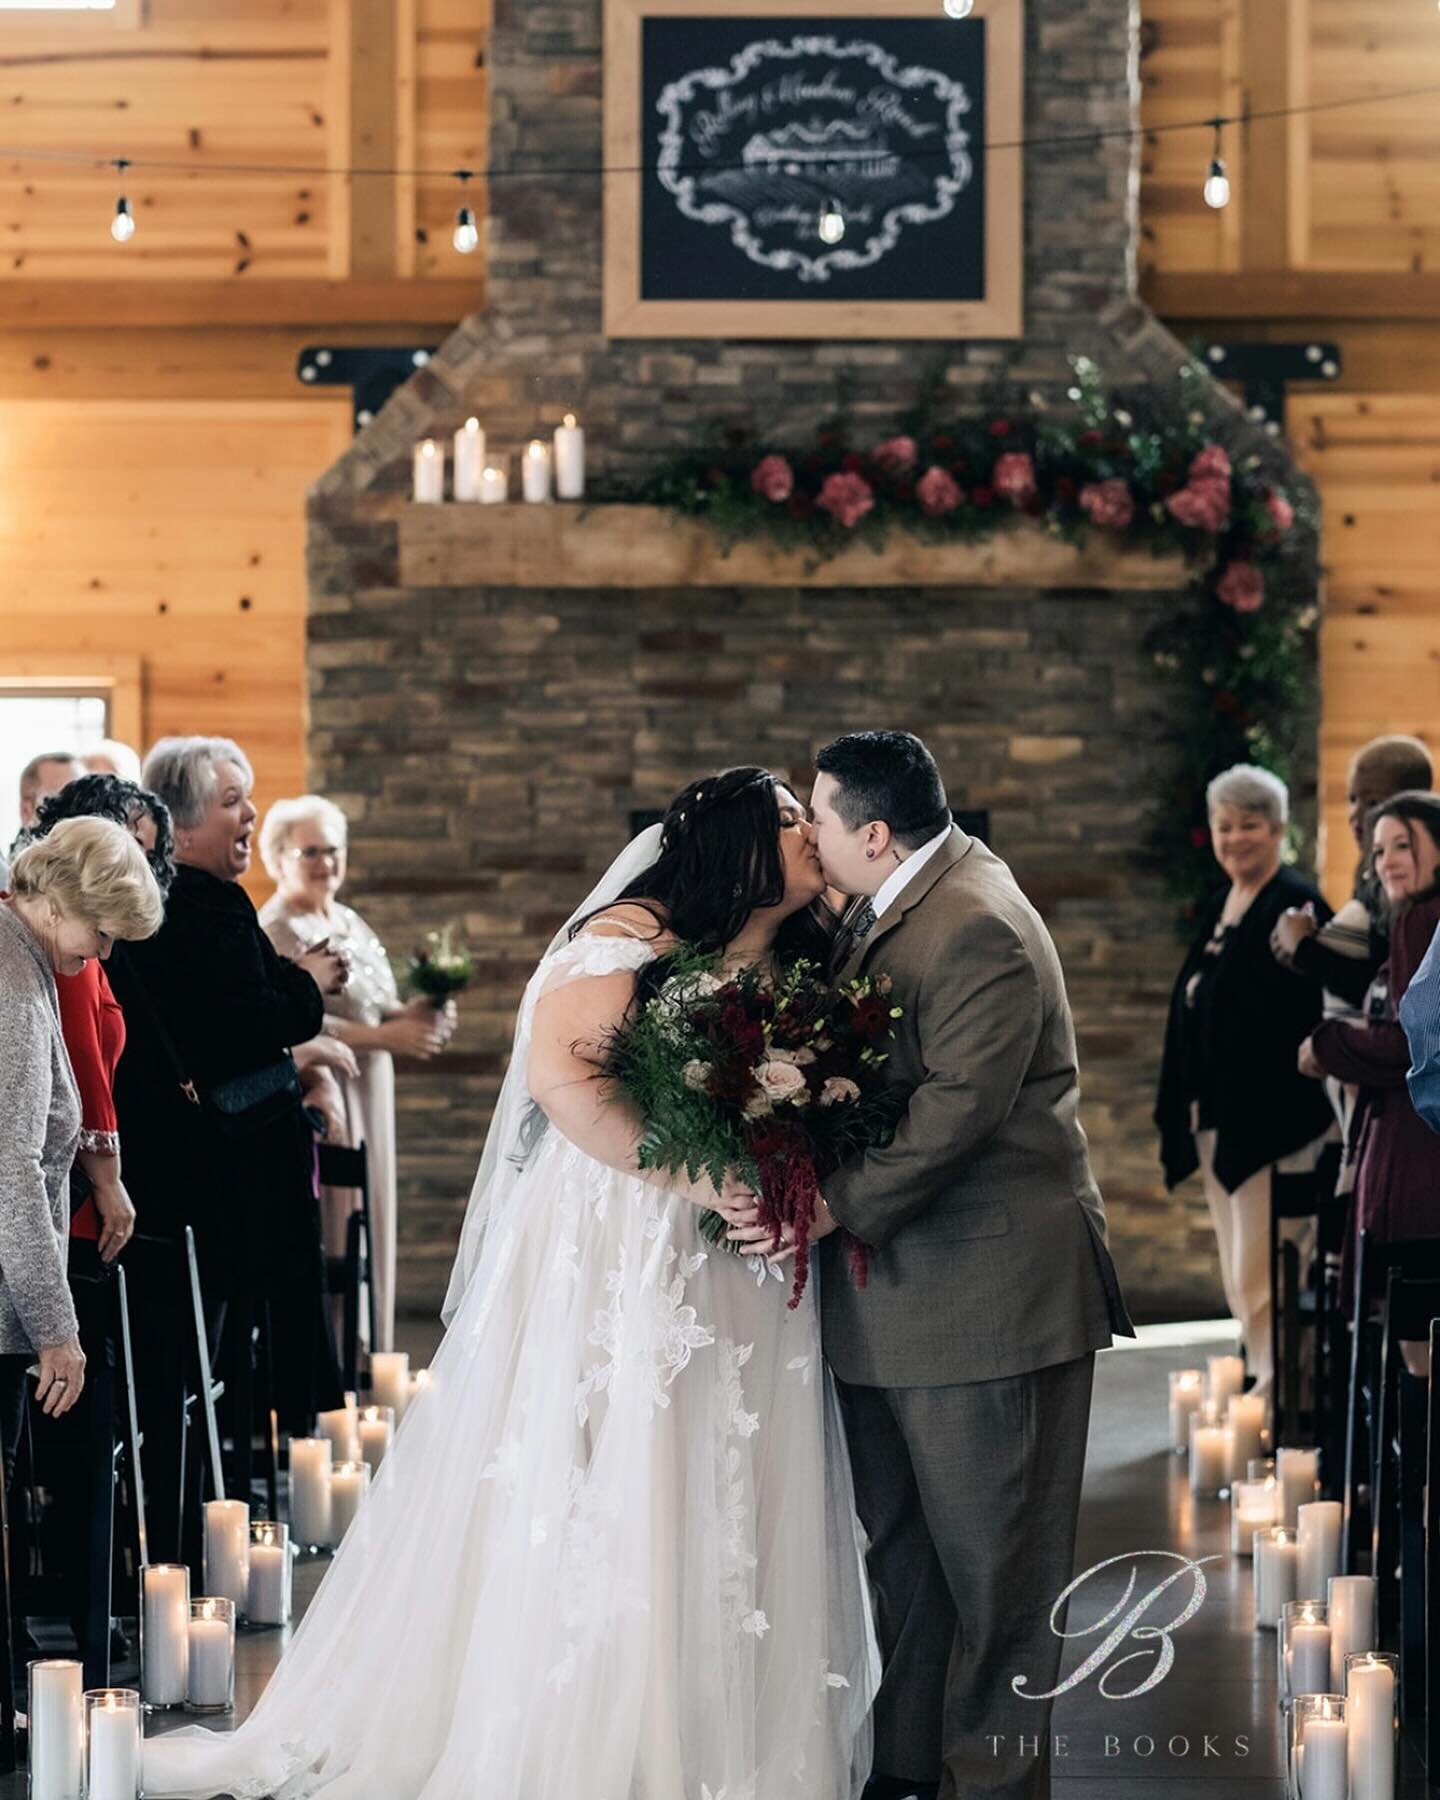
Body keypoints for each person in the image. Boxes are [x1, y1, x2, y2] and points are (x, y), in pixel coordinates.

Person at [141, 767, 877, 1799]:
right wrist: (714, 1175)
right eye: (792, 818)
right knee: (625, 1463)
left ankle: (737, 1731)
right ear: (741, 846)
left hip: (740, 1256)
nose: (810, 830)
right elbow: (562, 1080)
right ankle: (607, 1728)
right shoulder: (631, 932)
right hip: (630, 1241)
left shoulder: (793, 950)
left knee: (740, 1469)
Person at [751, 728, 1131, 1800]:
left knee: (998, 1584)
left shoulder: (977, 926)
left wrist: (824, 1208)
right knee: (904, 1566)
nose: (808, 839)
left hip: (988, 1304)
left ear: (874, 833)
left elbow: (955, 1111)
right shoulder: (893, 900)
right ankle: (908, 1772)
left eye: (816, 819)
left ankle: (998, 1790)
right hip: (898, 1301)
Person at [107, 738, 348, 1565]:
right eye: (233, 802)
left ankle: (213, 1516)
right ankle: (206, 1527)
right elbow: (259, 1018)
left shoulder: (191, 901)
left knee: (213, 1359)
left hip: (206, 1164)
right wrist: (303, 982)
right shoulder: (205, 905)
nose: (249, 816)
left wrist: (286, 984)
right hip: (224, 1171)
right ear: (178, 819)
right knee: (212, 1359)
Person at [1156, 765, 1336, 1400]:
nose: (1234, 839)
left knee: (1266, 1265)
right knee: (1239, 1265)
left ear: (1280, 830)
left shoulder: (1295, 903)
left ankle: (1282, 1390)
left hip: (1270, 1122)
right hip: (1218, 1117)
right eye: (1224, 826)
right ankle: (1264, 1372)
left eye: (1249, 825)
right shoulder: (1224, 903)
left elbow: (1310, 1014)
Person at [258, 795, 455, 1352]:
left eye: (333, 849)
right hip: (328, 1087)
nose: (325, 862)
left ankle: (368, 1353)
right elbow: (289, 1027)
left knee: (373, 1211)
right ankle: (334, 1360)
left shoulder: (346, 919)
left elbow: (373, 1003)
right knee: (338, 1223)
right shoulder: (276, 930)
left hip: (373, 1084)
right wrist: (385, 1039)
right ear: (277, 859)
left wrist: (415, 1014)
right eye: (310, 850)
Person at [0, 819, 163, 1478]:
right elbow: (13, 1175)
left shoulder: (24, 958)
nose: (103, 953)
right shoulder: (12, 986)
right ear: (58, 903)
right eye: (103, 932)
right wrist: (55, 1330)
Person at [1303, 793, 1440, 1291]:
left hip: (1415, 1157)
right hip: (1412, 1153)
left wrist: (1327, 1044)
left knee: (1414, 1347)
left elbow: (1412, 1044)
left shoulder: (1422, 920)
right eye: (1379, 851)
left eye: (1403, 845)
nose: (1387, 863)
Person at [1272, 734, 1432, 1010]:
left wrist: (1304, 951)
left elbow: (1386, 992)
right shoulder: (1371, 874)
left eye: (1372, 803)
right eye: (1352, 799)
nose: (1354, 815)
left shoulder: (1406, 885)